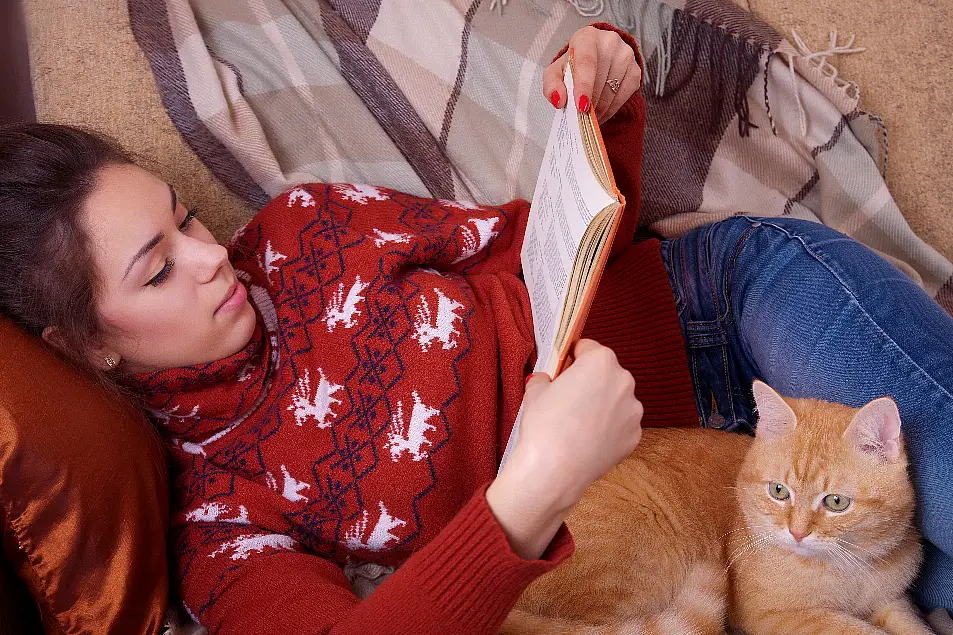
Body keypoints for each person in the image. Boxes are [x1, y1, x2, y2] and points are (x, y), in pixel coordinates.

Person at [0, 23, 949, 635]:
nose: (209, 257)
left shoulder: (304, 230)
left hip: (722, 311)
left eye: (185, 218)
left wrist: (603, 106)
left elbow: (548, 242)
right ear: (88, 346)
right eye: (158, 268)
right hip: (726, 510)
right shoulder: (219, 516)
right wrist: (526, 496)